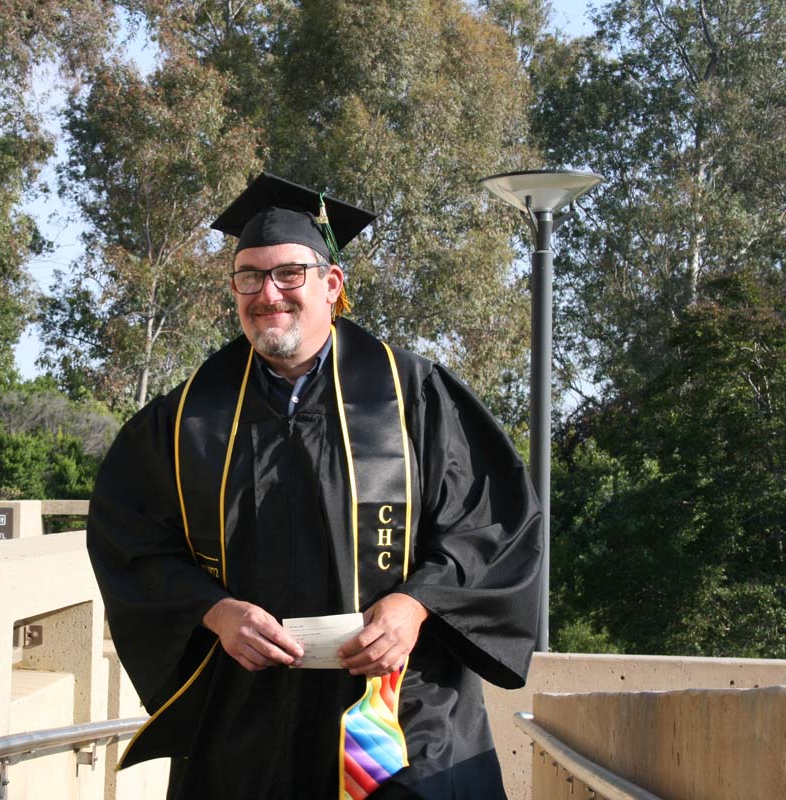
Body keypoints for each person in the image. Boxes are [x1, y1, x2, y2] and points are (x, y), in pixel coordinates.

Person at [87, 173, 542, 800]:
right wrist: (214, 612)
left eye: (289, 274)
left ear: (332, 285)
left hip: (395, 712)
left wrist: (415, 606)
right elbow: (130, 540)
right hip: (246, 718)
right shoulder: (188, 417)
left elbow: (490, 524)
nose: (267, 294)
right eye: (249, 277)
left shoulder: (413, 396)